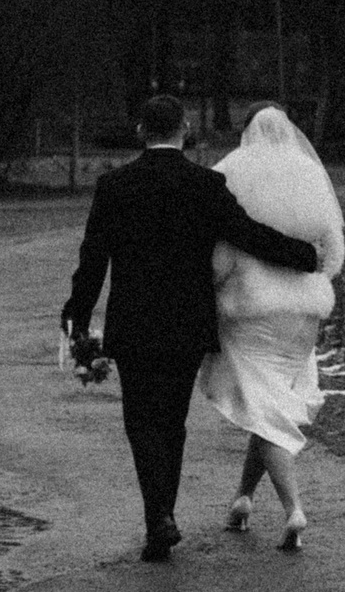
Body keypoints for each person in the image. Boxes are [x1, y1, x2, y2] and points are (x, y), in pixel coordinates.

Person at [61, 93, 322, 562]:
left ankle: (157, 516)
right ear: (184, 128)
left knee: (141, 423)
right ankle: (164, 512)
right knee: (172, 423)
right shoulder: (206, 185)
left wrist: (77, 317)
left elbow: (92, 260)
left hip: (134, 325)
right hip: (185, 325)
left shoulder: (114, 186)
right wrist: (305, 256)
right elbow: (248, 234)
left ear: (141, 131)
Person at [198, 106, 345, 551]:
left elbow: (218, 253)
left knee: (264, 411)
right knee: (269, 407)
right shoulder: (309, 172)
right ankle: (242, 498)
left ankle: (293, 509)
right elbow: (333, 254)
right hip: (301, 315)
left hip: (250, 310)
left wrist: (215, 285)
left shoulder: (230, 172)